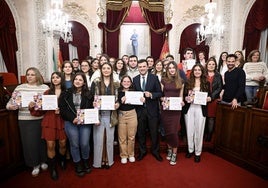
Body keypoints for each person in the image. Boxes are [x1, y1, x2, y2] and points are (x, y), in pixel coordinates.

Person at [6, 67, 49, 177]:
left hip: (41, 119)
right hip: (25, 120)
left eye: (32, 74)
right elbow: (9, 104)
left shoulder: (44, 87)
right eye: (28, 74)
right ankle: (34, 164)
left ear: (37, 76)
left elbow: (48, 104)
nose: (29, 76)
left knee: (42, 142)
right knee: (29, 143)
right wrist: (12, 107)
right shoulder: (20, 88)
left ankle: (43, 161)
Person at [59, 72, 94, 177]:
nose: (77, 81)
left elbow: (93, 109)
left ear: (84, 82)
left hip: (85, 122)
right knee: (74, 144)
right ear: (73, 81)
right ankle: (78, 163)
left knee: (84, 143)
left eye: (80, 80)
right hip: (71, 122)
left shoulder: (89, 94)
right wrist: (72, 118)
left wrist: (94, 116)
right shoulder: (66, 93)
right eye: (76, 80)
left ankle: (85, 161)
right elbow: (62, 109)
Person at [91, 62, 120, 169]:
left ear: (111, 70)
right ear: (101, 70)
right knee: (99, 139)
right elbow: (91, 97)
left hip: (111, 115)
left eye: (108, 68)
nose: (106, 70)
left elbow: (118, 99)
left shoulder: (116, 83)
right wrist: (93, 104)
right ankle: (99, 160)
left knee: (109, 138)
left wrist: (118, 104)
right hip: (99, 114)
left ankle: (108, 159)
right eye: (104, 68)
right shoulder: (96, 82)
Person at [133, 59, 163, 162]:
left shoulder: (154, 78)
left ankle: (155, 151)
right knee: (141, 133)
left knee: (154, 133)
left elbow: (160, 93)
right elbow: (133, 95)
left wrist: (151, 95)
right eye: (140, 67)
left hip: (152, 110)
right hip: (140, 111)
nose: (142, 68)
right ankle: (142, 151)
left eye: (144, 66)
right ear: (138, 68)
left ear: (147, 67)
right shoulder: (135, 79)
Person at [40, 72, 67, 180]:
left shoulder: (67, 92)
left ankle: (63, 160)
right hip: (49, 120)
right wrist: (34, 105)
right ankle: (53, 168)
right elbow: (41, 108)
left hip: (62, 120)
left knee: (63, 143)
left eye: (57, 77)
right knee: (50, 145)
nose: (55, 79)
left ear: (62, 79)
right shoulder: (47, 92)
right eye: (53, 77)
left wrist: (62, 111)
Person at [183, 64, 211, 163]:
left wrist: (209, 98)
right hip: (189, 108)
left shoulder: (206, 83)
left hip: (200, 109)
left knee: (199, 131)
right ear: (192, 72)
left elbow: (210, 96)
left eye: (199, 70)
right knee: (190, 130)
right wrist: (186, 98)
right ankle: (190, 150)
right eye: (195, 70)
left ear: (202, 71)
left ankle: (197, 152)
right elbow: (184, 96)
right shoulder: (188, 82)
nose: (197, 71)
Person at [160, 61, 184, 165]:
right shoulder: (163, 80)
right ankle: (169, 149)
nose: (171, 69)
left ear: (176, 69)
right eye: (169, 68)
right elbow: (161, 95)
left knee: (174, 131)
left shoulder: (181, 81)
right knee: (168, 131)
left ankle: (174, 153)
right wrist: (163, 100)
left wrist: (182, 102)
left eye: (173, 68)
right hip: (166, 109)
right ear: (167, 69)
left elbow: (181, 96)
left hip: (176, 110)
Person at [117, 75, 138, 164]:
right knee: (122, 137)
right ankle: (124, 155)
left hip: (132, 114)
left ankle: (131, 154)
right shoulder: (118, 92)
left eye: (128, 82)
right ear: (121, 83)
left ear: (131, 83)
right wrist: (120, 101)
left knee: (131, 136)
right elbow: (116, 104)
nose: (126, 83)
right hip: (121, 114)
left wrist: (142, 99)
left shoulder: (134, 92)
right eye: (124, 81)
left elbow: (138, 103)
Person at [205, 57, 223, 142]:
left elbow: (219, 88)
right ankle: (204, 133)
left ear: (215, 65)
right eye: (209, 64)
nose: (211, 66)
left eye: (213, 64)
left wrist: (211, 97)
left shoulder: (218, 75)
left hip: (213, 99)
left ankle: (209, 135)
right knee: (204, 116)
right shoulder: (203, 74)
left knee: (211, 118)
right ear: (206, 65)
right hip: (203, 98)